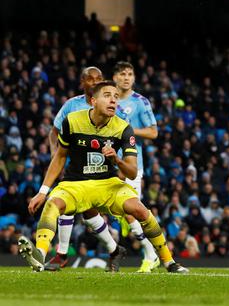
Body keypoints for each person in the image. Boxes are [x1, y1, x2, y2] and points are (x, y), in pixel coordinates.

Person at [18, 81, 188, 273]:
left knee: (139, 210)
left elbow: (131, 171)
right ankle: (39, 254)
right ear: (93, 101)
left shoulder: (123, 128)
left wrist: (117, 159)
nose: (113, 100)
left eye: (116, 97)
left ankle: (169, 261)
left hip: (109, 184)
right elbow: (60, 157)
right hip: (76, 184)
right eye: (107, 95)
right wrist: (42, 191)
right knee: (52, 203)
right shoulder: (72, 121)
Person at [45, 66, 124, 271]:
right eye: (91, 79)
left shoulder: (110, 104)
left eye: (99, 78)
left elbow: (121, 133)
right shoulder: (71, 105)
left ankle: (63, 254)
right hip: (77, 164)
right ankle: (113, 249)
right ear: (82, 82)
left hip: (102, 164)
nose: (95, 81)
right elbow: (54, 131)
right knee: (80, 207)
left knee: (89, 210)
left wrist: (120, 161)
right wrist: (56, 154)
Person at [112, 61, 160, 273]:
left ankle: (150, 255)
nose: (126, 78)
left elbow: (153, 133)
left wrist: (128, 130)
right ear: (114, 77)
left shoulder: (141, 102)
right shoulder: (108, 99)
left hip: (131, 164)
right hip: (107, 163)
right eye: (122, 74)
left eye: (130, 74)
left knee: (135, 211)